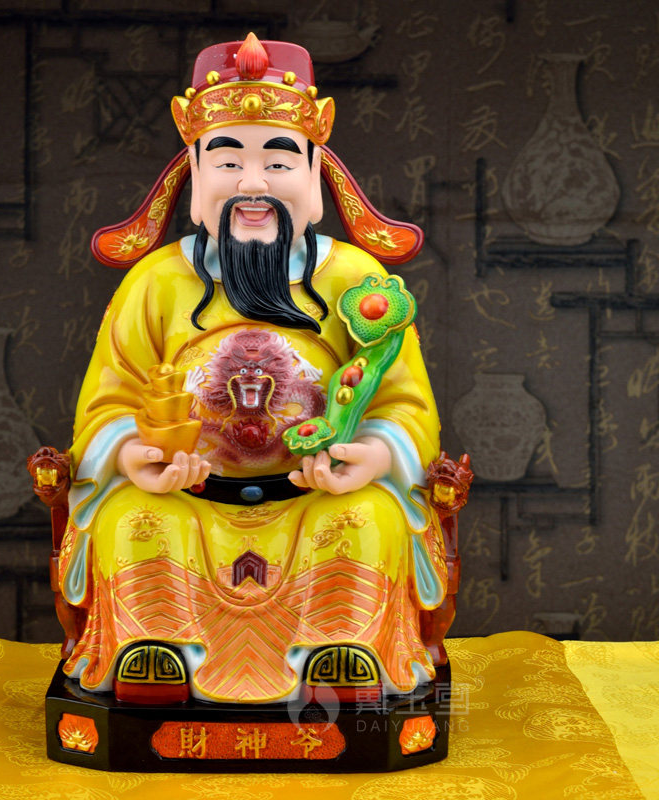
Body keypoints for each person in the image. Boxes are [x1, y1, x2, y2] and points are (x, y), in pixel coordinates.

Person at [56, 33, 447, 705]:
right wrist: (132, 455)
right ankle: (160, 657)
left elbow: (403, 404)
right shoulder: (156, 282)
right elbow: (108, 402)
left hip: (315, 494)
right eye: (229, 159)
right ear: (194, 171)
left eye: (279, 160)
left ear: (316, 171)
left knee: (369, 516)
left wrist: (375, 456)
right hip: (187, 495)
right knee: (129, 516)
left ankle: (336, 658)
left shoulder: (357, 281)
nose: (254, 184)